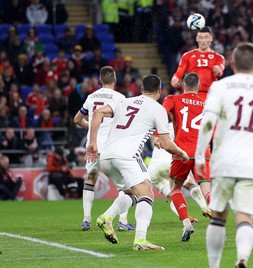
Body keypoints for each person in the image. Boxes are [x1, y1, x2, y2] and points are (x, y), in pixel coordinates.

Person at [195, 43, 253, 268]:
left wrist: (199, 155)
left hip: (225, 161)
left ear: (232, 64)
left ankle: (214, 266)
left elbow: (207, 122)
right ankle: (242, 258)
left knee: (218, 217)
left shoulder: (221, 86)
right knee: (245, 219)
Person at [85, 74, 189, 250]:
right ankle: (140, 240)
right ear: (160, 91)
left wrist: (92, 143)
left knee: (133, 193)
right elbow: (165, 143)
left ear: (141, 90)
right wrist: (181, 153)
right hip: (127, 156)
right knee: (147, 194)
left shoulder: (124, 101)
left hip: (107, 156)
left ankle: (107, 217)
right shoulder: (158, 109)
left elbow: (97, 113)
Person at [74, 66, 134, 231]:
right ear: (115, 80)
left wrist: (90, 127)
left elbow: (77, 119)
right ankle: (122, 221)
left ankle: (86, 219)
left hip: (93, 145)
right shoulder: (120, 98)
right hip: (112, 145)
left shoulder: (91, 97)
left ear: (100, 80)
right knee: (126, 183)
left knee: (91, 178)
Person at [161, 72, 212, 241]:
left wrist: (157, 134)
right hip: (202, 153)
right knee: (207, 190)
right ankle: (219, 228)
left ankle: (186, 223)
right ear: (198, 87)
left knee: (175, 188)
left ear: (183, 85)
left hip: (181, 152)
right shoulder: (207, 104)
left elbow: (161, 113)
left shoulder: (173, 99)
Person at [171, 26, 225, 100]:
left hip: (210, 95)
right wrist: (175, 78)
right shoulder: (187, 56)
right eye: (200, 37)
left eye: (206, 37)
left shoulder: (218, 57)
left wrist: (218, 71)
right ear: (197, 39)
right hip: (192, 95)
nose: (203, 40)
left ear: (211, 38)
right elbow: (179, 73)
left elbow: (220, 70)